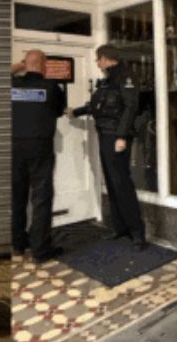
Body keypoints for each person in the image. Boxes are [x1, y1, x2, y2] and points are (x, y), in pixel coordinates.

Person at [67, 44, 147, 250]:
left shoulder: (126, 77)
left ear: (106, 59)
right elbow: (97, 106)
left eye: (98, 59)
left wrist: (121, 136)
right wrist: (75, 112)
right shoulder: (107, 81)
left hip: (116, 137)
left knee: (122, 183)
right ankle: (120, 227)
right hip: (105, 135)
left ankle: (137, 232)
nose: (97, 63)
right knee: (111, 182)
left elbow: (130, 108)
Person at [10, 49, 66, 262]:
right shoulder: (52, 88)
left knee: (17, 197)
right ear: (44, 65)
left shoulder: (12, 85)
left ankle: (17, 245)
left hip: (14, 148)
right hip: (40, 149)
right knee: (41, 198)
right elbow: (59, 111)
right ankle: (40, 250)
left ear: (25, 63)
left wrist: (21, 65)